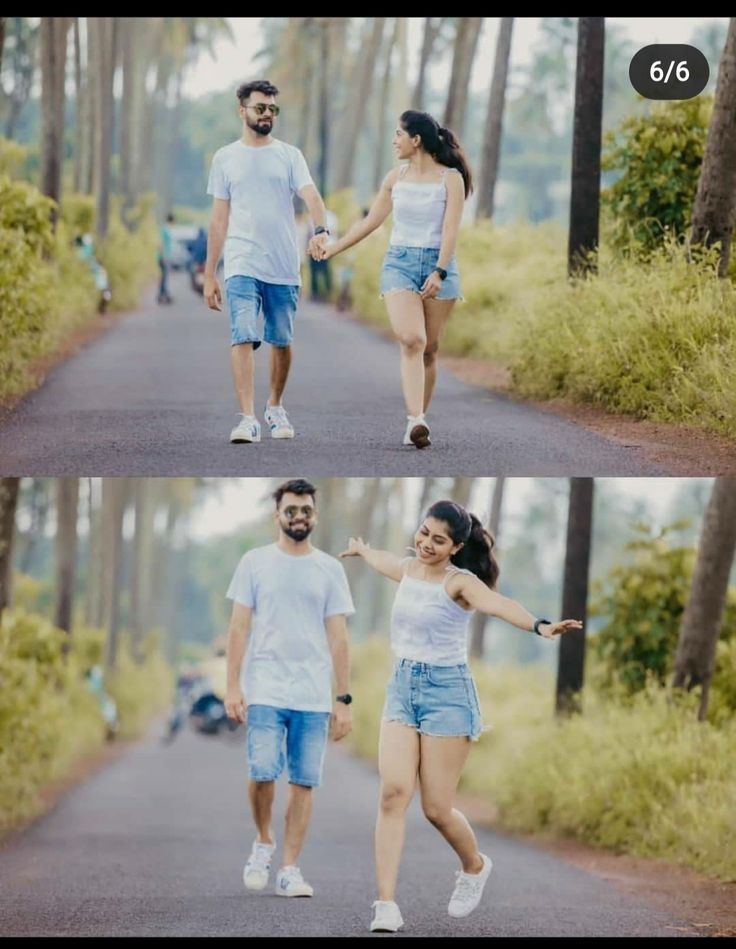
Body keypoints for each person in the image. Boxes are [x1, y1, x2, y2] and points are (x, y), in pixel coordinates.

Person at [339, 499, 582, 933]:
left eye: (438, 539)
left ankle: (473, 865)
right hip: (401, 688)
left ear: (455, 546)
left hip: (447, 694)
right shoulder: (409, 569)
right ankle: (385, 904)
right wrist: (362, 549)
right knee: (393, 793)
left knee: (436, 807)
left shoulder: (460, 583)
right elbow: (384, 561)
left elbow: (498, 604)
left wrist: (541, 626)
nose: (426, 543)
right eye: (423, 533)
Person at [224, 478, 355, 899]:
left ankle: (290, 869)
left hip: (313, 693)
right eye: (292, 510)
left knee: (303, 781)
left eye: (306, 510)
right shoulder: (254, 562)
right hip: (264, 686)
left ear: (315, 516)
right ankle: (263, 841)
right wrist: (232, 686)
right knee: (262, 770)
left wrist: (344, 699)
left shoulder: (329, 569)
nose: (299, 517)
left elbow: (339, 638)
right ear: (277, 515)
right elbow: (238, 627)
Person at [314, 111, 472, 450]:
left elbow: (450, 230)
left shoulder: (451, 179)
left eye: (399, 134)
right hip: (399, 263)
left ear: (416, 140)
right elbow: (371, 222)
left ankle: (419, 421)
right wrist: (334, 248)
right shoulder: (395, 177)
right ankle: (415, 419)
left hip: (439, 265)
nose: (394, 140)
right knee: (412, 339)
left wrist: (439, 271)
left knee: (430, 349)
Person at [204, 79, 332, 445]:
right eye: (260, 108)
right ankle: (247, 418)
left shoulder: (289, 155)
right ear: (241, 110)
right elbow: (218, 220)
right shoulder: (225, 157)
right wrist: (210, 272)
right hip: (241, 261)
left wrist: (321, 230)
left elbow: (313, 197)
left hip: (283, 264)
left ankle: (275, 406)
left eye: (273, 109)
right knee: (242, 333)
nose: (267, 115)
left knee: (281, 339)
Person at [158, 212, 175, 304]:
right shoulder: (165, 229)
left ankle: (162, 295)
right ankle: (164, 295)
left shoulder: (167, 229)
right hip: (164, 257)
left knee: (164, 277)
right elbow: (161, 243)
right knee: (165, 277)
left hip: (167, 256)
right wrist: (163, 256)